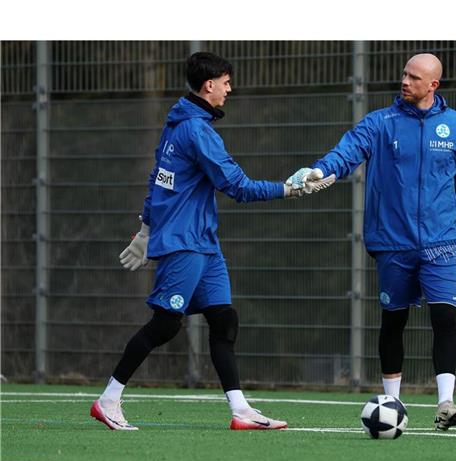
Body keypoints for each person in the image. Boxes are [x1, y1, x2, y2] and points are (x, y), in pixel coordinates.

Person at [90, 52, 332, 431]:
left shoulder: (178, 124)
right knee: (165, 325)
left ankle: (240, 410)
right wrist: (290, 189)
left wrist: (146, 227)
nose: (229, 89)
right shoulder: (196, 131)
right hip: (184, 242)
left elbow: (159, 178)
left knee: (223, 319)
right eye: (226, 83)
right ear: (209, 85)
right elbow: (237, 186)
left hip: (204, 242)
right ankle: (108, 400)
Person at [286, 53, 456, 430]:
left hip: (442, 241)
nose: (405, 81)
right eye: (404, 74)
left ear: (433, 85)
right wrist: (320, 169)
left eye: (414, 77)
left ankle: (446, 404)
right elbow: (346, 152)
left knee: (444, 318)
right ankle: (392, 404)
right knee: (393, 320)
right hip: (393, 242)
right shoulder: (379, 123)